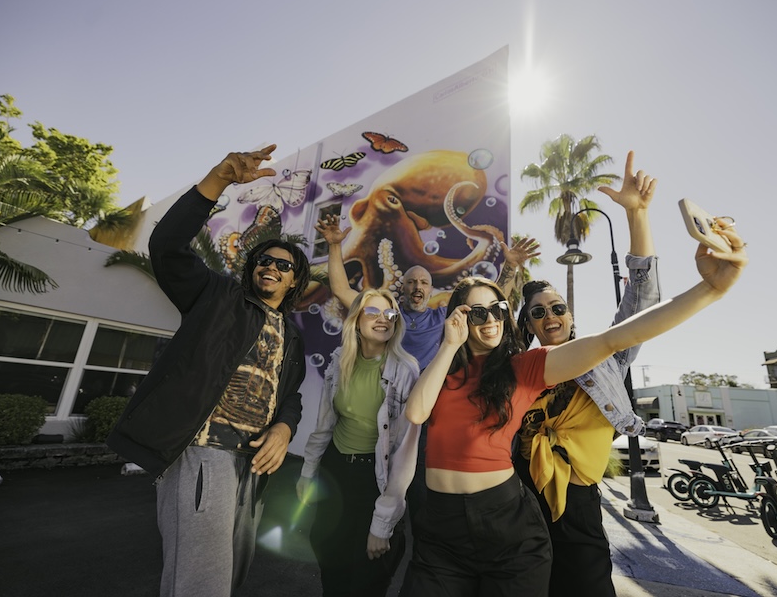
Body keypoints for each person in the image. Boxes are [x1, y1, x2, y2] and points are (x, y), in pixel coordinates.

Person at [399, 211, 748, 596]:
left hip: (507, 521)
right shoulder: (442, 369)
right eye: (477, 312)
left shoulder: (524, 367)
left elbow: (613, 340)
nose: (491, 319)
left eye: (499, 310)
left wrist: (711, 290)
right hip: (440, 527)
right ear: (458, 319)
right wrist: (449, 345)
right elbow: (416, 412)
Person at [107, 146, 311, 597]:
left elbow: (291, 395)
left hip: (252, 466)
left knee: (228, 575)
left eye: (284, 264)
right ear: (251, 269)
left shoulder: (292, 335)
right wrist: (217, 180)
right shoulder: (215, 297)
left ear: (294, 279)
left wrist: (283, 429)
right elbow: (166, 247)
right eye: (264, 260)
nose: (271, 267)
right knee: (201, 581)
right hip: (204, 451)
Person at [314, 215, 540, 524]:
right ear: (402, 287)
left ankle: (418, 536)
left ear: (431, 289)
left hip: (428, 412)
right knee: (378, 480)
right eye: (411, 282)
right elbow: (341, 290)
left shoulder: (442, 319)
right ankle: (376, 532)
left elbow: (491, 300)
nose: (417, 286)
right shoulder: (389, 317)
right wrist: (335, 245)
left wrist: (511, 266)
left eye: (423, 282)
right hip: (387, 411)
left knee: (420, 486)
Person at [514, 151, 658, 596]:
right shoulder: (522, 371)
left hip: (577, 502)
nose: (550, 315)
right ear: (530, 326)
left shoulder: (604, 356)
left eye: (558, 308)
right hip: (520, 497)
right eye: (539, 313)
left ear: (570, 316)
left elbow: (643, 299)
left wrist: (636, 214)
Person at [297, 289, 420, 597]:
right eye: (373, 312)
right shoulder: (340, 361)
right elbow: (324, 425)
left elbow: (404, 452)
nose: (383, 319)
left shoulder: (405, 370)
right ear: (355, 321)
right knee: (331, 564)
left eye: (390, 314)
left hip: (374, 480)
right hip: (335, 470)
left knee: (367, 578)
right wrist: (308, 473)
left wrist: (383, 523)